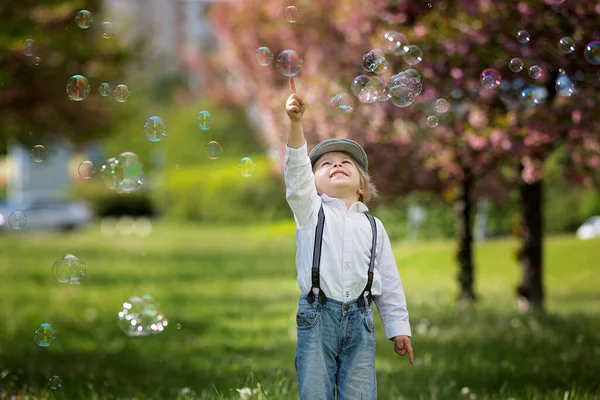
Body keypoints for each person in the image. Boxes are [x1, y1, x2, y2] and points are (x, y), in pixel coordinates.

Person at [284, 77, 414, 400]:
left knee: (360, 393)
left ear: (361, 186)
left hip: (361, 320)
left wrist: (399, 328)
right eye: (326, 164)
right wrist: (296, 124)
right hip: (317, 317)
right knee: (315, 392)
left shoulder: (373, 226)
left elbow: (391, 282)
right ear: (313, 184)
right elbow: (297, 174)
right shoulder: (310, 211)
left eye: (346, 163)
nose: (336, 165)